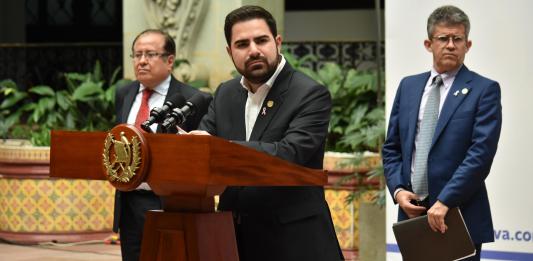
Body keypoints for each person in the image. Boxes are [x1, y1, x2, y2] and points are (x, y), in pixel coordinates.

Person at [189, 5, 344, 261]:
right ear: (230, 52)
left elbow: (288, 153)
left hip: (293, 240)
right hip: (233, 238)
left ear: (277, 42)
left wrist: (221, 148)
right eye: (242, 44)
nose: (253, 51)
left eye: (261, 40)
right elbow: (203, 148)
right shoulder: (225, 93)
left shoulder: (309, 93)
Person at [382, 5, 502, 260]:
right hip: (412, 215)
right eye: (443, 38)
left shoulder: (484, 90)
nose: (450, 45)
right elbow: (392, 148)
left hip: (459, 215)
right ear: (428, 43)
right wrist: (398, 191)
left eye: (457, 39)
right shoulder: (409, 86)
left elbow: (480, 155)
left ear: (467, 45)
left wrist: (445, 201)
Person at [113, 29, 209, 261]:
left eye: (150, 54)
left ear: (169, 60)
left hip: (169, 201)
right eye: (137, 55)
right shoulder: (124, 93)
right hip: (130, 201)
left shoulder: (191, 99)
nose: (142, 61)